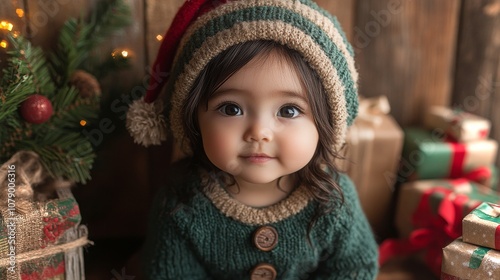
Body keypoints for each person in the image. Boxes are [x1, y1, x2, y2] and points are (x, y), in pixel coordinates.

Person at [126, 0, 379, 279]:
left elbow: (354, 269)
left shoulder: (332, 202)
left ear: (327, 123)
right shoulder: (181, 202)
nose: (259, 132)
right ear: (193, 119)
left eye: (289, 110)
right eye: (231, 108)